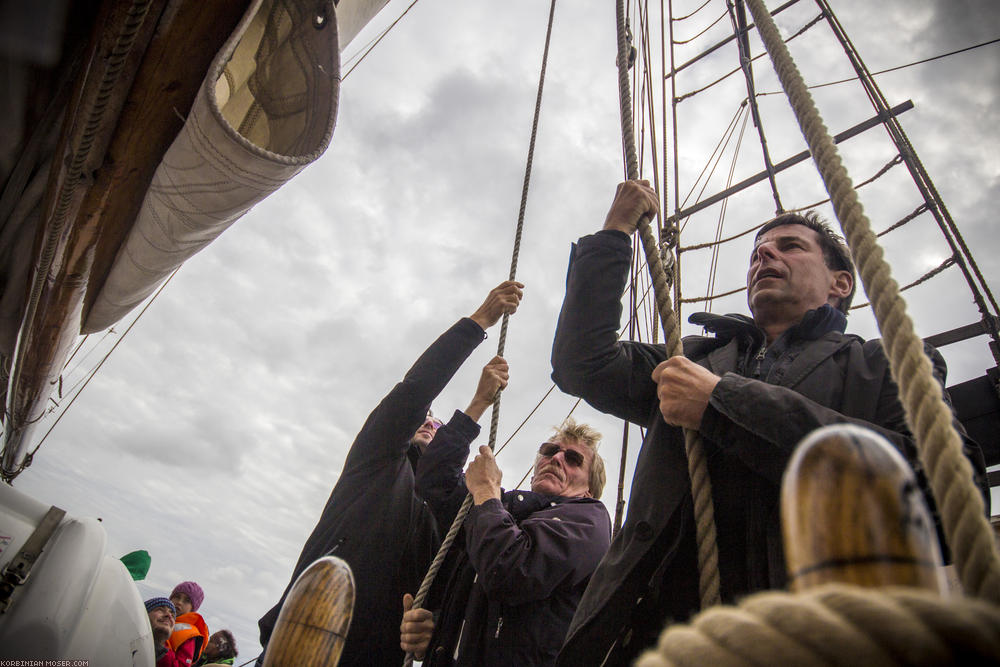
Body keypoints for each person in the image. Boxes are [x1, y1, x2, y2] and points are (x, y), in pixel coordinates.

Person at [549, 180, 989, 664]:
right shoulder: (691, 357)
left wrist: (723, 403)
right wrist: (614, 235)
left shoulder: (883, 366)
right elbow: (583, 363)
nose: (764, 257)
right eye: (757, 253)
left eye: (790, 247)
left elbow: (947, 493)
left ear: (840, 284)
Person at [256, 280, 524, 666]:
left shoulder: (446, 513)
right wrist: (479, 320)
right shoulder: (375, 462)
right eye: (426, 419)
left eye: (436, 422)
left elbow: (442, 592)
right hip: (298, 645)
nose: (430, 423)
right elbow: (414, 392)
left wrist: (426, 629)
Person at [402, 409, 612, 666]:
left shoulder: (589, 521)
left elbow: (512, 572)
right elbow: (436, 481)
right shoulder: (501, 514)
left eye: (573, 459)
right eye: (549, 451)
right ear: (535, 471)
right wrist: (437, 632)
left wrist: (487, 492)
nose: (556, 458)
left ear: (589, 490)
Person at [165, 581, 210, 667]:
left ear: (192, 609)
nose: (179, 602)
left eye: (187, 601)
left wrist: (162, 650)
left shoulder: (189, 636)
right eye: (177, 597)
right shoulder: (157, 616)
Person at [145, 597, 176, 665]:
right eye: (160, 610)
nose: (169, 615)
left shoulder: (170, 662)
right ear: (144, 615)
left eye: (173, 615)